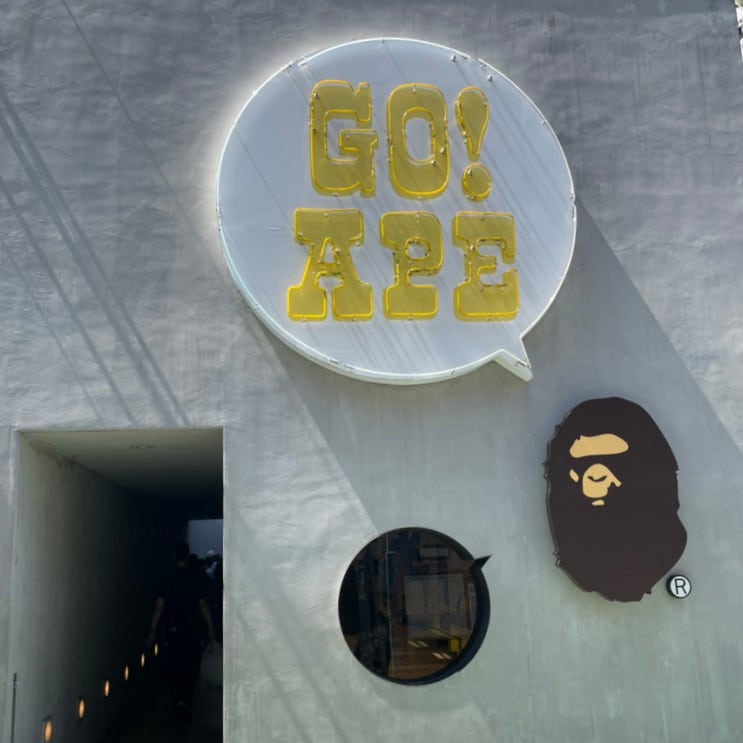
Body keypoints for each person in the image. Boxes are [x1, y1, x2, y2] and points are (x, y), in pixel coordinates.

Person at [147, 541, 216, 718]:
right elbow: (203, 604)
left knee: (174, 664)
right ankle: (185, 700)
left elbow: (159, 606)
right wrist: (211, 629)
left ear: (173, 556)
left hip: (173, 628)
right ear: (187, 555)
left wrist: (152, 631)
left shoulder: (167, 577)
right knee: (190, 664)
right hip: (192, 628)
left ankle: (176, 700)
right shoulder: (197, 576)